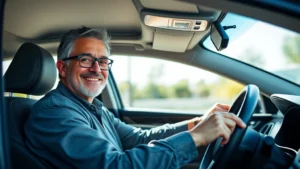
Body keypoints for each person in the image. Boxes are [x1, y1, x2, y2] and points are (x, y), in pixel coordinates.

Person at [25, 26, 246, 169]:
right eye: (85, 59)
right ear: (62, 68)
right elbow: (116, 167)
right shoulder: (54, 113)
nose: (96, 69)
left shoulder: (93, 109)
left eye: (103, 62)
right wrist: (195, 137)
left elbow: (139, 138)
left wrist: (198, 123)